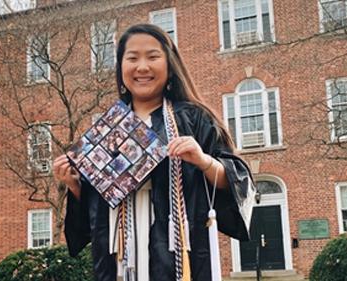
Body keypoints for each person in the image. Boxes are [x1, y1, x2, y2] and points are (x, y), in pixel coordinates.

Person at [53, 24, 255, 281]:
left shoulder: (194, 118)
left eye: (152, 56)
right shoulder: (109, 127)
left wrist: (204, 161)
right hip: (120, 258)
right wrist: (75, 185)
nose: (142, 67)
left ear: (170, 65)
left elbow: (239, 181)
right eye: (132, 58)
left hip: (177, 249)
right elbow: (96, 211)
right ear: (121, 67)